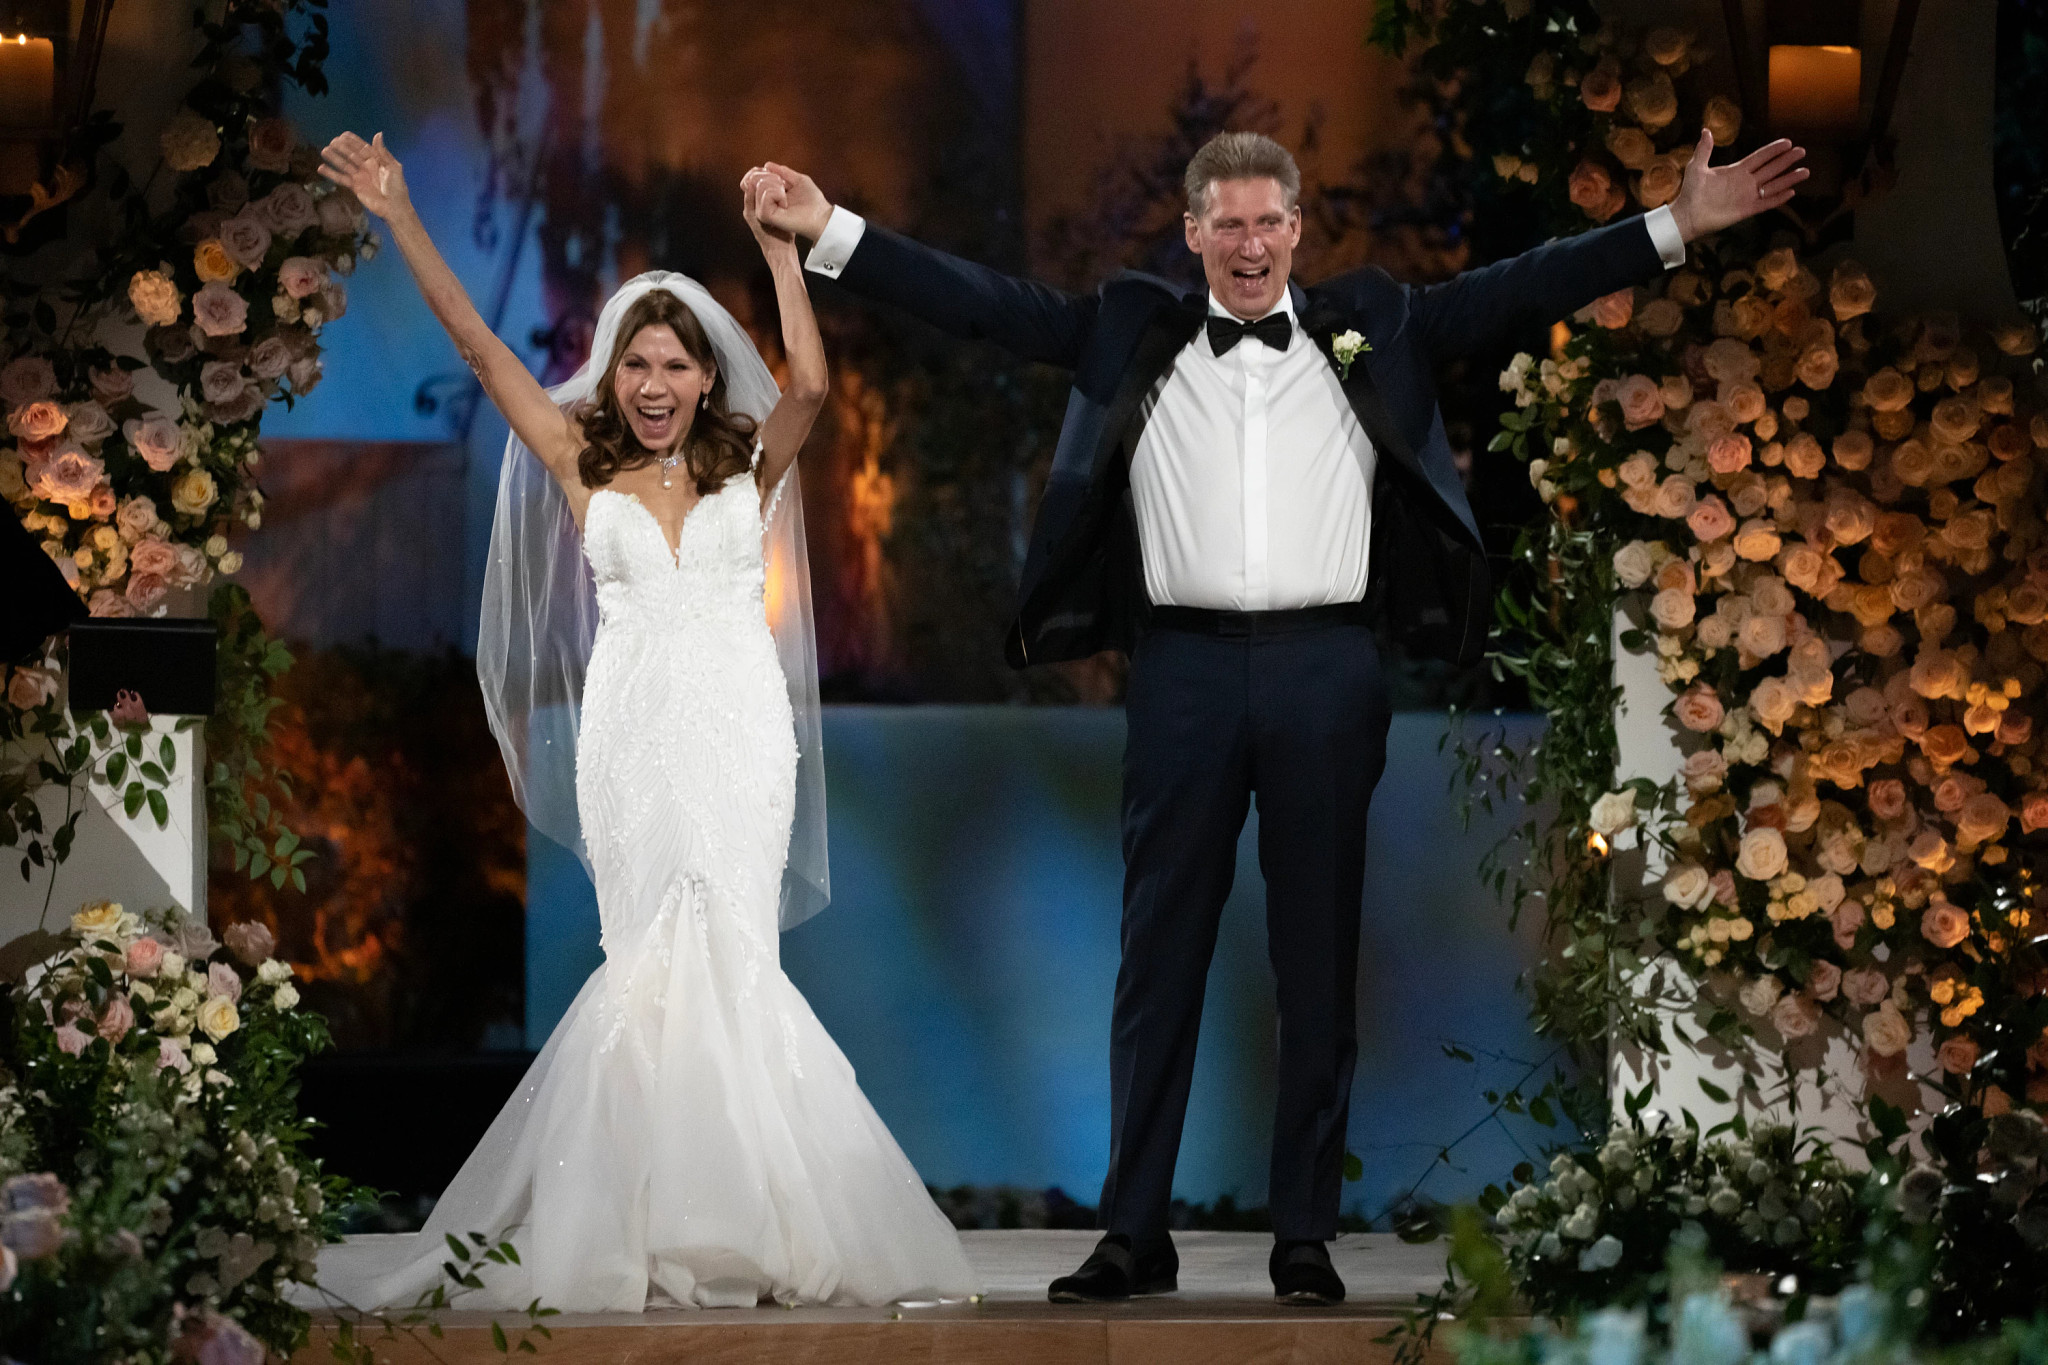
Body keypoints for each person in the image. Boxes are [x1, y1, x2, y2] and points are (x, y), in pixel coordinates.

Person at [746, 126, 1806, 1306]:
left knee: (1315, 955)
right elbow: (982, 303)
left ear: (1296, 231)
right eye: (1227, 224)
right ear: (1192, 233)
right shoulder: (1132, 326)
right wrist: (825, 229)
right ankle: (1131, 1234)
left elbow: (1524, 286)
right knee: (1157, 958)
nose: (1249, 245)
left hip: (1326, 668)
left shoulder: (1375, 323)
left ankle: (1303, 1236)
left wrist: (1676, 224)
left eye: (1268, 223)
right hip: (1182, 671)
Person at [307, 133, 976, 1312]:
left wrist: (779, 253)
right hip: (631, 734)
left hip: (738, 729)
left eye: (674, 366)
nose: (655, 386)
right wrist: (401, 212)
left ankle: (754, 1225)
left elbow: (811, 385)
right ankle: (648, 1221)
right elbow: (474, 345)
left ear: (707, 378)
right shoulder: (578, 464)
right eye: (637, 369)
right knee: (648, 965)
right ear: (611, 380)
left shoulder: (745, 471)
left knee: (733, 953)